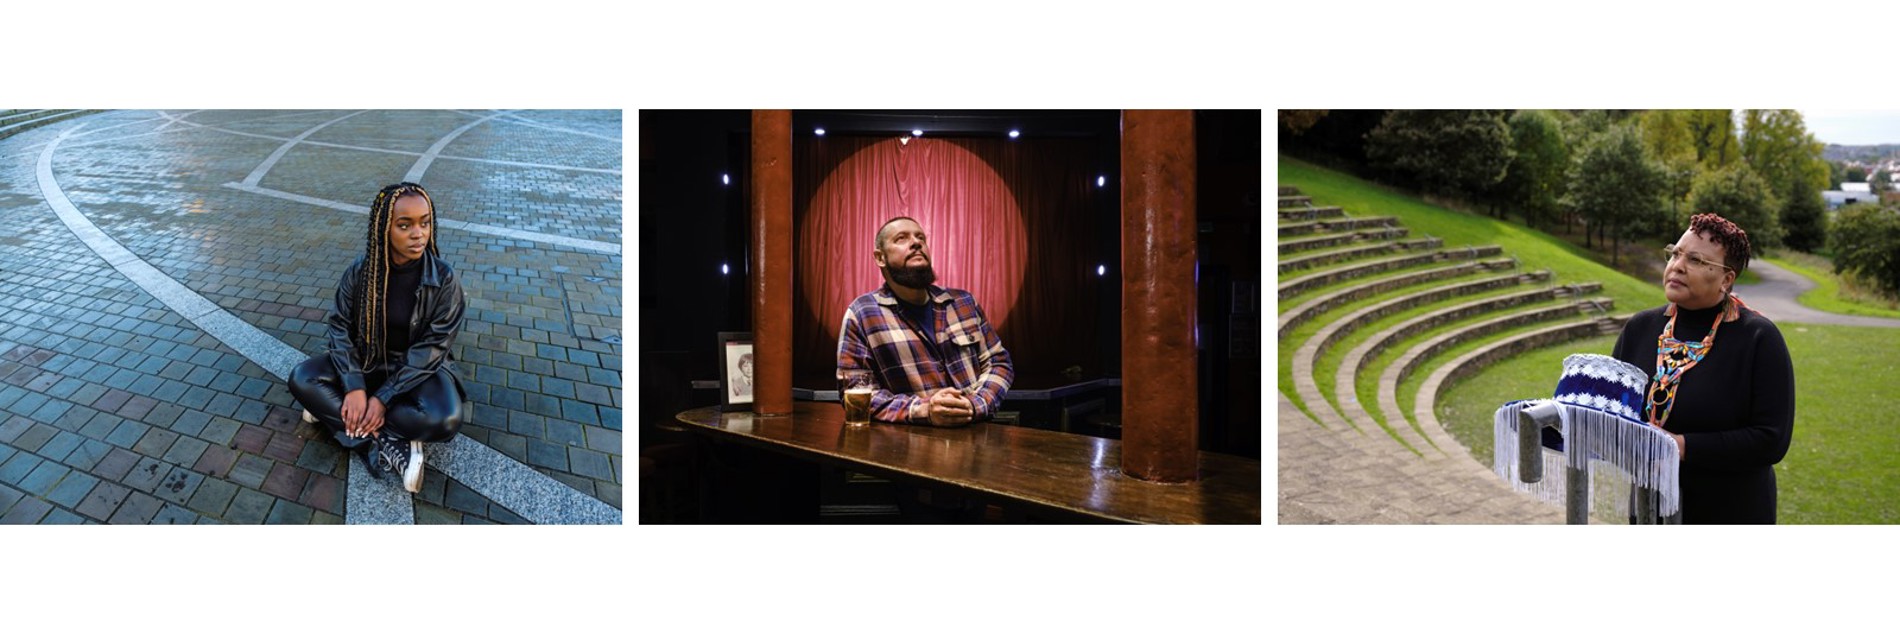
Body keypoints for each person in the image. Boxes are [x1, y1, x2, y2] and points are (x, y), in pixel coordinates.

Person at [1610, 213, 1794, 524]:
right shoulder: (1641, 328)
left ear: (1726, 279)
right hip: (1649, 508)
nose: (1677, 265)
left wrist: (1681, 446)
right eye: (1676, 253)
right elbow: (1615, 410)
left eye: (1696, 260)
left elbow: (1771, 439)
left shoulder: (1759, 338)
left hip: (1730, 512)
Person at [288, 182, 471, 493]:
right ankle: (386, 439)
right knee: (302, 378)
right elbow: (339, 328)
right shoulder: (360, 273)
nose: (418, 234)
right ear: (385, 228)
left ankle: (337, 415)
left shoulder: (443, 279)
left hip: (416, 371)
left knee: (446, 419)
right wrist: (356, 387)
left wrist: (382, 398)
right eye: (405, 225)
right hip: (367, 361)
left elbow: (432, 349)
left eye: (425, 222)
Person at [837, 216, 1013, 427]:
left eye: (920, 237)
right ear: (880, 258)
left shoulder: (964, 302)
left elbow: (998, 363)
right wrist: (923, 410)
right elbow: (855, 390)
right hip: (908, 448)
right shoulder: (861, 314)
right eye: (901, 238)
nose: (916, 242)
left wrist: (975, 405)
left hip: (979, 439)